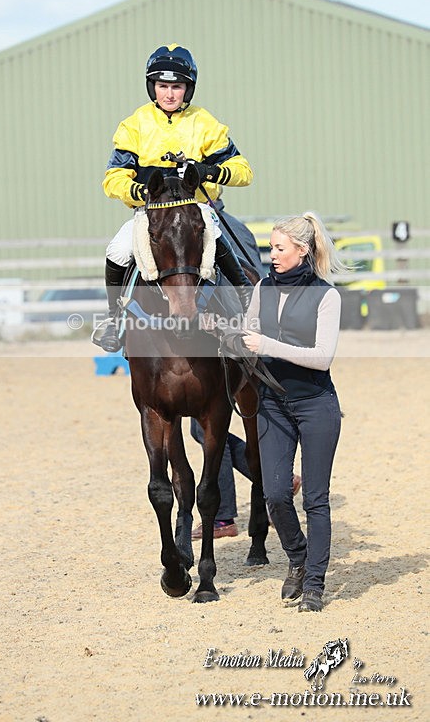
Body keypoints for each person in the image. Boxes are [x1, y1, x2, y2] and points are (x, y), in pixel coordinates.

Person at [94, 43, 255, 353]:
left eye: (176, 86)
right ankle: (114, 318)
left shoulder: (205, 123)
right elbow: (113, 178)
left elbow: (243, 170)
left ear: (188, 89)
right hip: (150, 212)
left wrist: (209, 171)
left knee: (215, 232)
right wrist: (137, 191)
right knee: (117, 249)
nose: (169, 94)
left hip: (194, 207)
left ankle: (245, 295)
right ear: (152, 86)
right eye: (162, 85)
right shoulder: (133, 125)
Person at [240, 211, 346, 612]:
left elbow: (321, 358)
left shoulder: (327, 296)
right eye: (271, 247)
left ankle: (315, 585)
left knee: (316, 499)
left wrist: (266, 345)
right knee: (275, 494)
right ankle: (298, 558)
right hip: (273, 405)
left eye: (280, 248)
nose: (272, 255)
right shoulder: (263, 289)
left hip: (316, 405)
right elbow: (245, 335)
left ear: (302, 250)